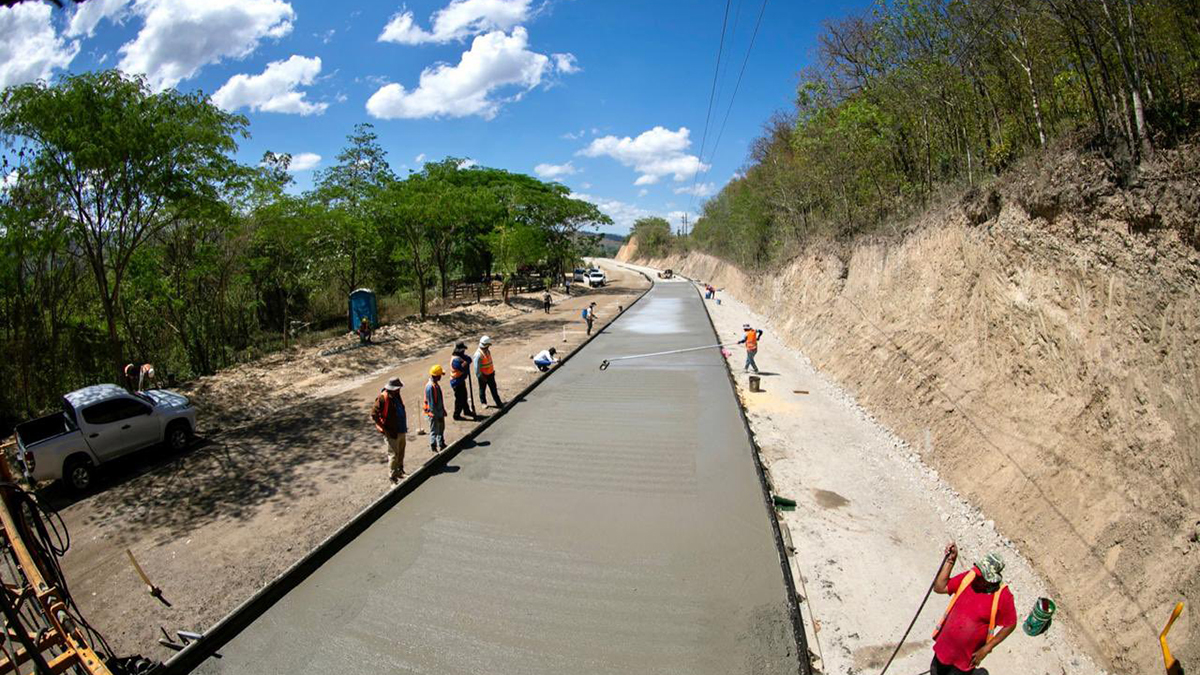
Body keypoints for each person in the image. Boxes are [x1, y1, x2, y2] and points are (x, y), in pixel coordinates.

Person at [931, 544, 1017, 675]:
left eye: (983, 577)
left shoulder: (1002, 596)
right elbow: (939, 587)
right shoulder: (969, 578)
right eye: (979, 573)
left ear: (992, 580)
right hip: (944, 649)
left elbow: (1010, 624)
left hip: (964, 660)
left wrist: (987, 648)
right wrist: (950, 561)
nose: (978, 578)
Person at [371, 378, 407, 483]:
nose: (399, 390)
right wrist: (381, 427)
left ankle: (400, 471)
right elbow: (374, 414)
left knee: (401, 452)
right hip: (391, 431)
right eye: (398, 388)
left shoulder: (396, 395)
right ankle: (392, 477)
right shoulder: (383, 398)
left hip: (401, 429)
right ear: (392, 389)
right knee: (393, 455)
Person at [449, 342, 478, 421]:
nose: (464, 351)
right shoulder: (455, 360)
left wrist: (466, 362)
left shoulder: (461, 356)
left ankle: (467, 411)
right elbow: (462, 368)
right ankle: (456, 415)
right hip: (456, 382)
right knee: (459, 399)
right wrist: (465, 363)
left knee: (464, 396)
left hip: (461, 380)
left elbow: (469, 359)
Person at [474, 335, 503, 408]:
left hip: (490, 374)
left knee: (494, 389)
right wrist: (480, 377)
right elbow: (477, 369)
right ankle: (483, 402)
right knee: (482, 389)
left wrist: (492, 371)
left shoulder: (487, 352)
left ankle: (498, 402)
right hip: (483, 375)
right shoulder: (478, 354)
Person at [424, 365, 447, 453]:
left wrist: (443, 410)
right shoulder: (430, 387)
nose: (441, 377)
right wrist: (436, 415)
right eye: (440, 375)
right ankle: (433, 446)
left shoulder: (435, 385)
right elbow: (432, 404)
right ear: (436, 376)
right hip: (434, 413)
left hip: (439, 411)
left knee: (441, 428)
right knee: (434, 430)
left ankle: (441, 443)